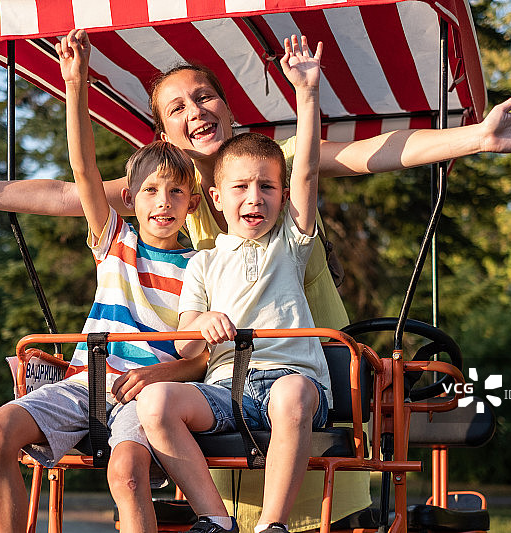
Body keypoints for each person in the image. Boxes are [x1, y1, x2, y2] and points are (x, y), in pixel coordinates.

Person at [0, 36, 511, 531]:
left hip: (303, 367)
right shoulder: (171, 196)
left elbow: (369, 151)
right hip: (220, 387)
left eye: (204, 95)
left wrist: (473, 139)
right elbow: (67, 192)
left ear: (228, 104)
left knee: (320, 500)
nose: (195, 109)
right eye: (176, 106)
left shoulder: (276, 168)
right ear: (164, 135)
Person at [0, 30, 205, 533]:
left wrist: (160, 377)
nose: (162, 202)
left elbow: (200, 357)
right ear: (130, 200)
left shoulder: (203, 267)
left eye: (174, 193)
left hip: (143, 395)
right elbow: (82, 168)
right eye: (149, 192)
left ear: (191, 201)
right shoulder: (114, 241)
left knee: (125, 474)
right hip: (85, 384)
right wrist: (75, 83)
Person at [136, 35, 326, 533]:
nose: (255, 198)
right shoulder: (201, 263)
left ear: (282, 197)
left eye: (267, 187)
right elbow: (183, 338)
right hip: (227, 388)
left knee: (291, 397)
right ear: (215, 198)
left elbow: (305, 171)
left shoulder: (291, 239)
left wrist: (307, 95)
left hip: (291, 381)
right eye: (241, 187)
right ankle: (216, 519)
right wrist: (204, 322)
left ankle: (272, 525)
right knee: (154, 402)